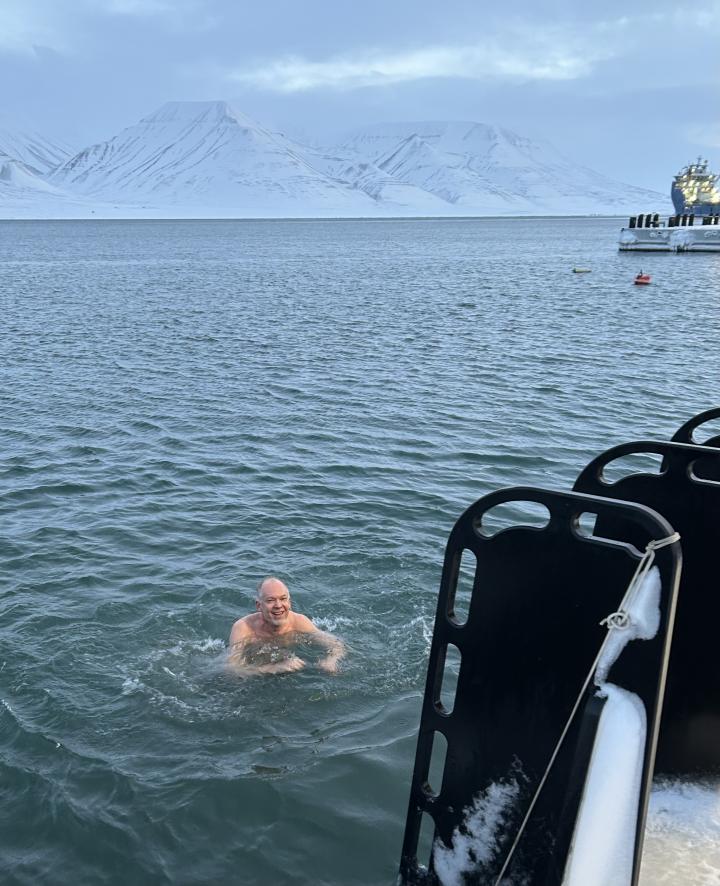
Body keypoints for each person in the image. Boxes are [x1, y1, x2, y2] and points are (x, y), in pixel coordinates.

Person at [227, 576, 345, 675]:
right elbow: (232, 669)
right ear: (259, 606)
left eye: (283, 599)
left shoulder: (299, 622)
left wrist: (331, 660)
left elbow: (337, 645)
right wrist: (272, 668)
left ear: (289, 602)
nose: (278, 605)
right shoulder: (243, 628)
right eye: (270, 600)